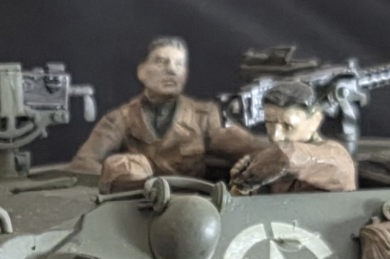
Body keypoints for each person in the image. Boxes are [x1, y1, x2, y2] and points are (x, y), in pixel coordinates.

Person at [70, 37, 263, 191]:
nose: (171, 70)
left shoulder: (204, 116)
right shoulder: (121, 118)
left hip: (192, 206)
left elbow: (244, 144)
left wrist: (275, 154)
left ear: (185, 73)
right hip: (135, 206)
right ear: (142, 72)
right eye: (161, 62)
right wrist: (117, 177)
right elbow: (84, 162)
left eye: (179, 64)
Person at [230, 78, 358, 194]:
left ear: (315, 120)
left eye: (288, 126)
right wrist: (242, 187)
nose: (276, 136)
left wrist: (248, 179)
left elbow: (290, 156)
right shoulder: (272, 159)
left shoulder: (335, 157)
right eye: (269, 122)